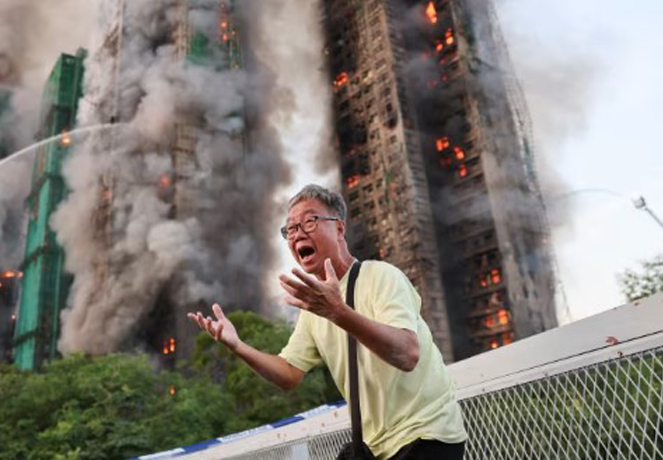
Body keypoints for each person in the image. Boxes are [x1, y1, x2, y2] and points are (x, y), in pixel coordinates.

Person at [188, 184, 467, 459]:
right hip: (375, 448)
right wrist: (238, 346)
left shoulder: (381, 276)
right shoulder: (313, 309)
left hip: (427, 435)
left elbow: (407, 354)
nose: (298, 233)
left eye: (309, 221)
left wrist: (338, 312)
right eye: (291, 229)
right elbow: (288, 374)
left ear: (340, 228)